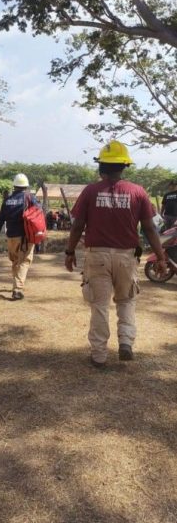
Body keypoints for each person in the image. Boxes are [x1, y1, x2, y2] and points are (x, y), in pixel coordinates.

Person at [65, 141, 168, 368]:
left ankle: (99, 355)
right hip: (126, 257)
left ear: (101, 166)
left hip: (97, 256)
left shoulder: (90, 191)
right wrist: (160, 257)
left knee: (99, 305)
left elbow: (77, 226)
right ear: (124, 166)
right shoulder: (138, 192)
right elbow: (150, 228)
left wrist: (70, 251)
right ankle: (126, 343)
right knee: (127, 300)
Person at [0, 173, 38, 300]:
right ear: (26, 186)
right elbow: (38, 215)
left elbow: (0, 219)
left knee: (15, 261)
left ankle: (16, 284)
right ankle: (17, 290)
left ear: (15, 186)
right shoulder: (30, 198)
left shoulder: (7, 200)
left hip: (11, 236)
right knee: (24, 261)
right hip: (25, 237)